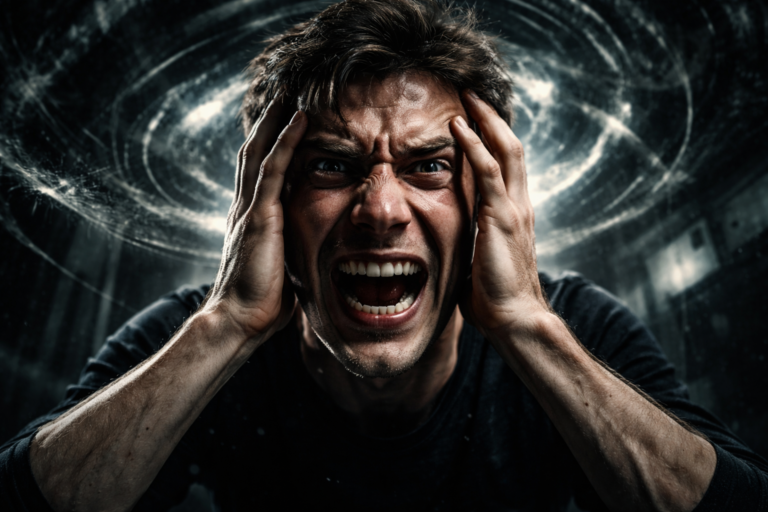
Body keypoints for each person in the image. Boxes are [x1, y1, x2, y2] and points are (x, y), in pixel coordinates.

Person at [2, 0, 766, 510]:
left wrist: (528, 326)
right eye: (331, 164)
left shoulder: (575, 329)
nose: (380, 210)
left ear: (487, 205)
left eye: (429, 165)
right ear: (266, 203)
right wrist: (228, 323)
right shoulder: (194, 341)